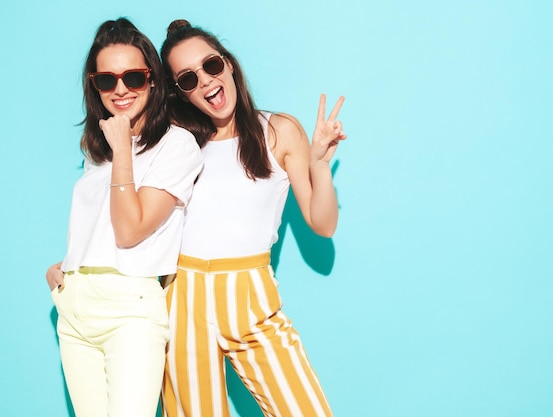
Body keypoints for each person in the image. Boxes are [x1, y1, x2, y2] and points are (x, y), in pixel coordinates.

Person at [159, 19, 347, 417]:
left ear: (228, 65)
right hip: (182, 295)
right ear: (181, 93)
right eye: (188, 79)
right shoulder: (178, 144)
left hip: (250, 291)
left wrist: (319, 167)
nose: (206, 81)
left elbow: (323, 224)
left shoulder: (277, 130)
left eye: (211, 66)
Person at [45, 18, 203, 417]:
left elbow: (130, 230)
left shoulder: (177, 146)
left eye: (133, 77)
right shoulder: (97, 150)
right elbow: (99, 227)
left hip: (129, 309)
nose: (120, 90)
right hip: (75, 305)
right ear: (93, 85)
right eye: (106, 80)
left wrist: (123, 152)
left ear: (152, 81)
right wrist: (67, 267)